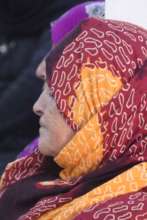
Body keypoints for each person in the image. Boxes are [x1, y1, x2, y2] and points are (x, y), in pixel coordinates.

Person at [1, 17, 147, 220]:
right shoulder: (40, 172)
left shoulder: (133, 209)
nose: (37, 107)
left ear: (105, 108)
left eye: (54, 95)